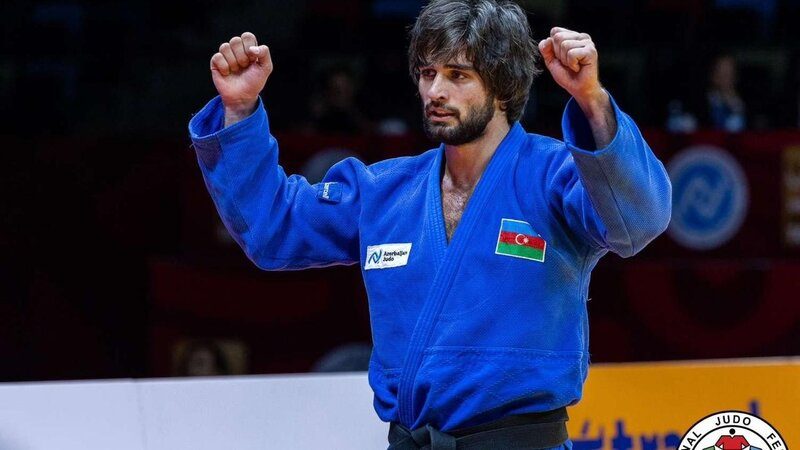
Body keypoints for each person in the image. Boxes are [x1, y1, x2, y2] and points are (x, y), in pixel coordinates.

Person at [187, 1, 672, 448]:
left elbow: (639, 221)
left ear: (502, 86)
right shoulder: (382, 191)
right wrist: (239, 110)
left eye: (457, 75)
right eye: (427, 73)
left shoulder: (554, 178)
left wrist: (591, 99)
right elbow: (273, 229)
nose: (435, 91)